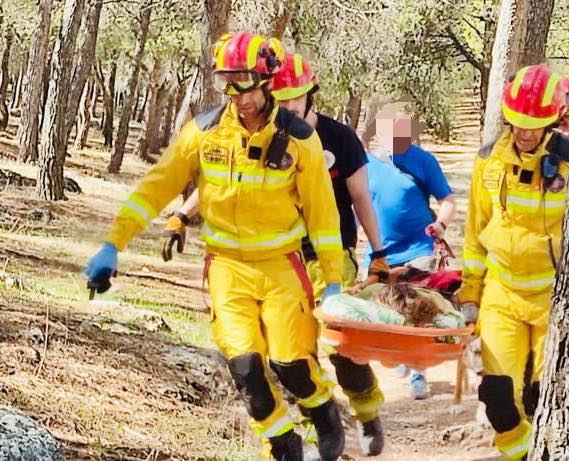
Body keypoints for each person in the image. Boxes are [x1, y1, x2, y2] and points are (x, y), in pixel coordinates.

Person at [85, 32, 345, 461]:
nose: (238, 97)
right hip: (226, 269)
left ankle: (320, 406)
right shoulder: (204, 133)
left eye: (246, 85)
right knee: (245, 368)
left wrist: (333, 279)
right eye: (229, 85)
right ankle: (282, 444)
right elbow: (155, 187)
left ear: (267, 81)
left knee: (290, 365)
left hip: (282, 269)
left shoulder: (301, 141)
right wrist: (114, 242)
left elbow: (323, 217)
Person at [161, 50, 389, 457]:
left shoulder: (338, 139)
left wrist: (379, 252)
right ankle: (315, 433)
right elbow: (223, 182)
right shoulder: (258, 130)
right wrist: (182, 213)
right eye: (280, 100)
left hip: (327, 256)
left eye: (295, 100)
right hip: (276, 259)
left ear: (310, 96)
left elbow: (359, 199)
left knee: (341, 348)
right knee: (287, 358)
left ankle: (367, 410)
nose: (287, 108)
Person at [457, 64, 569, 461]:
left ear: (552, 121)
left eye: (534, 124)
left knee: (542, 396)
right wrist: (469, 292)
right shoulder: (488, 161)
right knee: (497, 394)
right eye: (517, 122)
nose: (524, 131)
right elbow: (475, 233)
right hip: (501, 294)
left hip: (551, 300)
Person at [364, 103, 457, 399]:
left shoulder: (422, 161)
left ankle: (419, 372)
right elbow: (359, 203)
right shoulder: (367, 164)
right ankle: (403, 356)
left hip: (420, 248)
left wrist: (441, 225)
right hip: (381, 252)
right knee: (386, 312)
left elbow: (447, 200)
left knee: (416, 308)